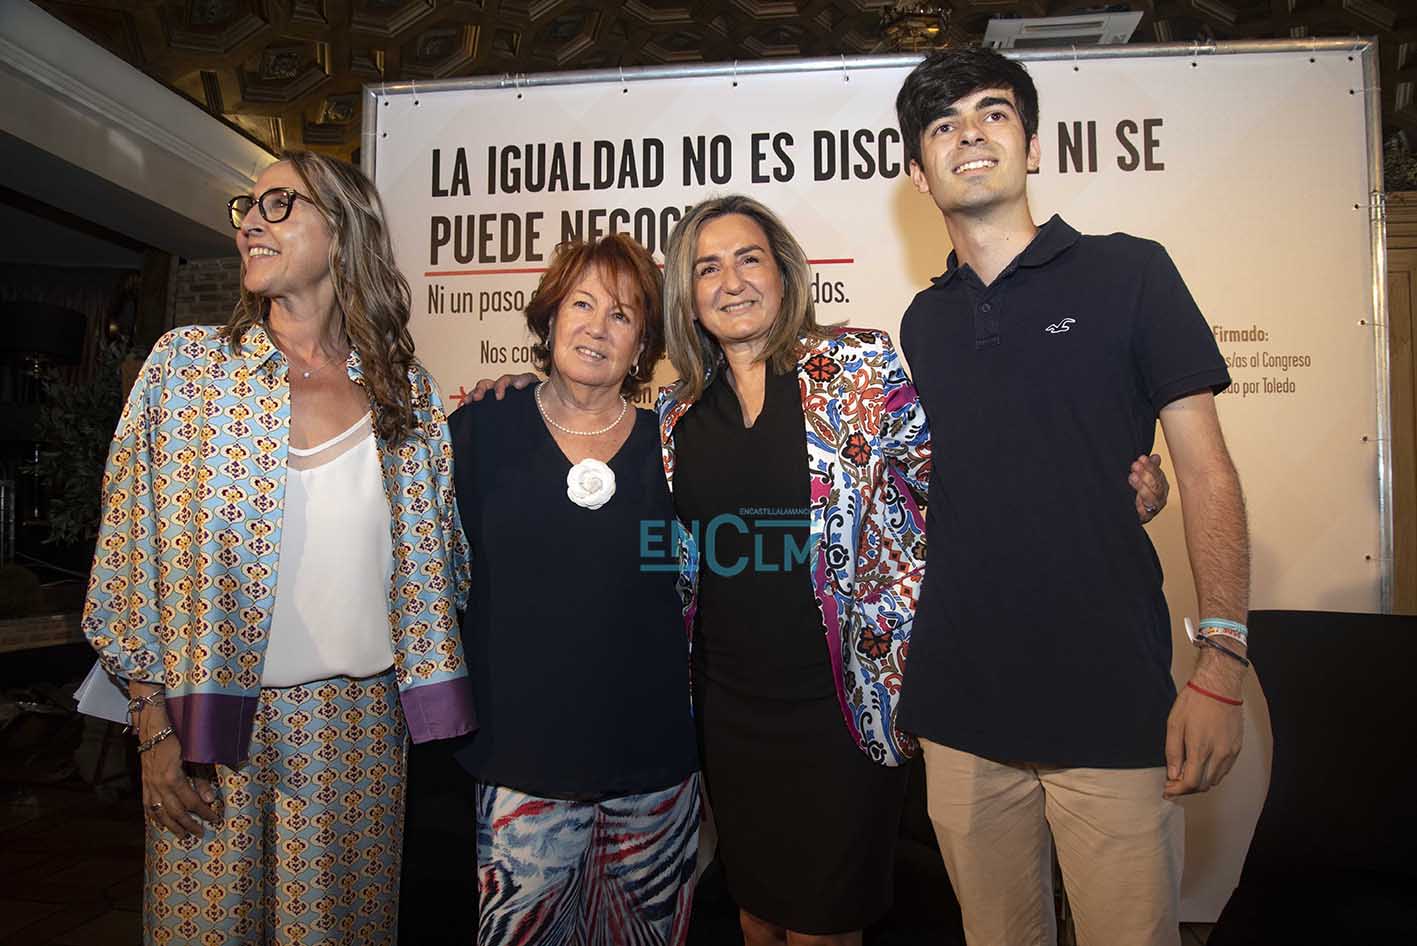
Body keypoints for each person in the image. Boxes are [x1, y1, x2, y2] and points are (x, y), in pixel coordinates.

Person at [893, 48, 1251, 946]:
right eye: (942, 126)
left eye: (992, 114)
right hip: (961, 713)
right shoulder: (921, 322)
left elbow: (1206, 468)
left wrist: (1221, 659)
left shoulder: (1131, 272)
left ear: (1033, 145)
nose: (968, 135)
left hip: (1108, 702)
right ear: (915, 170)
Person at [82, 151, 475, 946]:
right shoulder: (186, 370)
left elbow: (444, 566)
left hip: (359, 723)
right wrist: (152, 726)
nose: (250, 222)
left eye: (278, 205)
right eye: (246, 208)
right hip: (206, 724)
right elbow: (127, 555)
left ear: (343, 230)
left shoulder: (406, 391)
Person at [448, 234, 700, 946]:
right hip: (521, 762)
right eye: (581, 304)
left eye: (620, 316)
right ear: (550, 317)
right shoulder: (477, 430)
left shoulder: (677, 443)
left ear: (643, 341)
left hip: (653, 768)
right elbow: (423, 574)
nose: (596, 326)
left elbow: (714, 584)